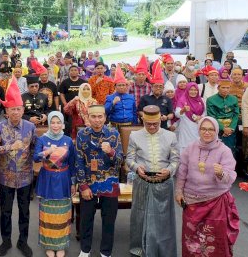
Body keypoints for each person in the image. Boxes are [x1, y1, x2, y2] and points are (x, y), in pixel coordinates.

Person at [176, 117, 240, 257]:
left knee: (214, 239)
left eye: (211, 129)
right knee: (191, 238)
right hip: (191, 201)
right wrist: (179, 191)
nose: (207, 132)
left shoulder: (224, 151)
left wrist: (221, 173)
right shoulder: (190, 148)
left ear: (216, 131)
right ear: (198, 130)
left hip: (216, 201)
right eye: (203, 129)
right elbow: (182, 172)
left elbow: (229, 178)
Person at [0, 77, 37, 257]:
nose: (16, 112)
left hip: (25, 177)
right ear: (6, 111)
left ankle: (23, 241)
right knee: (5, 211)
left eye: (18, 109)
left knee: (25, 211)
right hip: (5, 177)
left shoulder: (31, 127)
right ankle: (6, 240)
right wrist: (10, 147)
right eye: (12, 110)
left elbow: (34, 148)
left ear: (23, 109)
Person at [126, 105, 180, 257]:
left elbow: (176, 160)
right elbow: (129, 159)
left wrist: (169, 171)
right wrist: (137, 168)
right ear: (143, 121)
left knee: (164, 221)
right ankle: (139, 250)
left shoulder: (170, 136)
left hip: (164, 183)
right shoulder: (134, 136)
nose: (151, 127)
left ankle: (163, 252)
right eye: (148, 124)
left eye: (155, 124)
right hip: (143, 182)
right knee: (140, 218)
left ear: (160, 120)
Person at [75, 105, 124, 257]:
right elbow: (78, 161)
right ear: (88, 118)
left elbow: (120, 162)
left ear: (105, 117)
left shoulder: (113, 134)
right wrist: (83, 186)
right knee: (86, 219)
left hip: (109, 184)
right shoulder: (82, 134)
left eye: (100, 116)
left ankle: (106, 252)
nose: (97, 120)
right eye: (93, 116)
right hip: (89, 183)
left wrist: (111, 152)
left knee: (109, 221)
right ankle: (85, 249)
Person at [34, 111, 75, 257]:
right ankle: (49, 245)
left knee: (63, 213)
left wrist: (73, 182)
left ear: (63, 124)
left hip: (64, 178)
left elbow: (72, 163)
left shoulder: (68, 140)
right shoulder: (42, 139)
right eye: (53, 122)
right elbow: (35, 158)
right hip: (47, 179)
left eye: (58, 122)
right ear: (49, 123)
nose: (56, 125)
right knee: (47, 213)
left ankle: (61, 244)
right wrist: (46, 153)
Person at [206, 79, 240, 155]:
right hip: (217, 128)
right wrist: (223, 129)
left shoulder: (234, 99)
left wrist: (231, 128)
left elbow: (236, 114)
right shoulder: (211, 100)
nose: (225, 90)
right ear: (218, 88)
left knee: (230, 149)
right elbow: (212, 116)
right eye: (223, 87)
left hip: (231, 129)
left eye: (228, 88)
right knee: (216, 151)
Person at [138, 60, 174, 130]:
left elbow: (171, 114)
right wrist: (148, 117)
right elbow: (140, 111)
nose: (158, 88)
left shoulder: (167, 99)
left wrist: (166, 117)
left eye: (160, 87)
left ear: (163, 88)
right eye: (156, 86)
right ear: (152, 87)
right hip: (147, 127)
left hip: (163, 127)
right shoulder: (145, 98)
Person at [175, 82, 206, 152]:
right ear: (187, 90)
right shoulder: (182, 100)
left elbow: (205, 113)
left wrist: (200, 117)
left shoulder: (201, 100)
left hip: (198, 127)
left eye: (195, 90)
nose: (193, 92)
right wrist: (183, 110)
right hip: (186, 129)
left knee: (198, 149)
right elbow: (177, 114)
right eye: (191, 90)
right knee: (186, 149)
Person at [105, 65, 137, 130]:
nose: (121, 87)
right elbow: (105, 111)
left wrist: (135, 126)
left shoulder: (131, 97)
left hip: (129, 126)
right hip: (115, 127)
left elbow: (134, 113)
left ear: (126, 86)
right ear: (115, 87)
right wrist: (113, 103)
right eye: (119, 85)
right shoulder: (110, 97)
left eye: (123, 85)